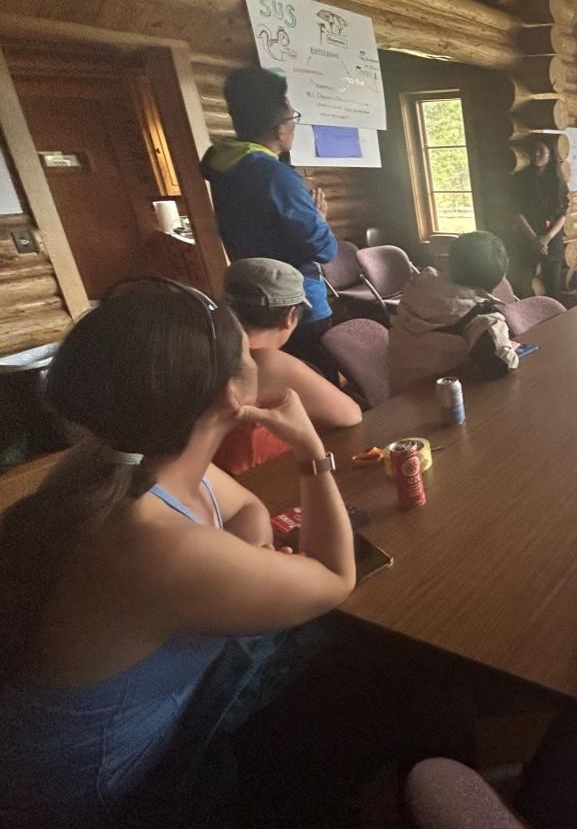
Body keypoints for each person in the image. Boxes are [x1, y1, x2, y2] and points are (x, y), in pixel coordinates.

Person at [0, 279, 358, 826]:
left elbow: (246, 507)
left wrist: (249, 554)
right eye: (245, 353)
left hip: (42, 761)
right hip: (107, 794)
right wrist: (310, 451)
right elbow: (335, 576)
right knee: (343, 653)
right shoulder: (154, 542)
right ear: (230, 393)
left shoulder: (112, 461)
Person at [200, 68, 339, 380]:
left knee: (273, 379)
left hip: (252, 298)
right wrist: (320, 221)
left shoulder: (227, 166)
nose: (294, 124)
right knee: (319, 381)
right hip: (295, 303)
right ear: (280, 129)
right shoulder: (274, 176)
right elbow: (323, 249)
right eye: (293, 117)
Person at [216, 258, 362, 475]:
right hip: (262, 482)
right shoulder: (263, 360)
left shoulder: (209, 348)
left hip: (215, 484)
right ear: (290, 315)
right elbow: (350, 415)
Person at [389, 231, 519, 395]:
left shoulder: (419, 284)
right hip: (445, 399)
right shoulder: (481, 317)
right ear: (503, 273)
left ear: (449, 262)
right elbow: (501, 366)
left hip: (400, 395)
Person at [508, 137, 570, 298]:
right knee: (522, 285)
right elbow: (516, 211)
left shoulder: (558, 181)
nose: (536, 154)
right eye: (533, 150)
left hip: (552, 238)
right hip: (527, 237)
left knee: (553, 288)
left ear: (550, 153)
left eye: (541, 150)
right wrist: (534, 239)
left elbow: (563, 213)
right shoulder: (520, 178)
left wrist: (547, 238)